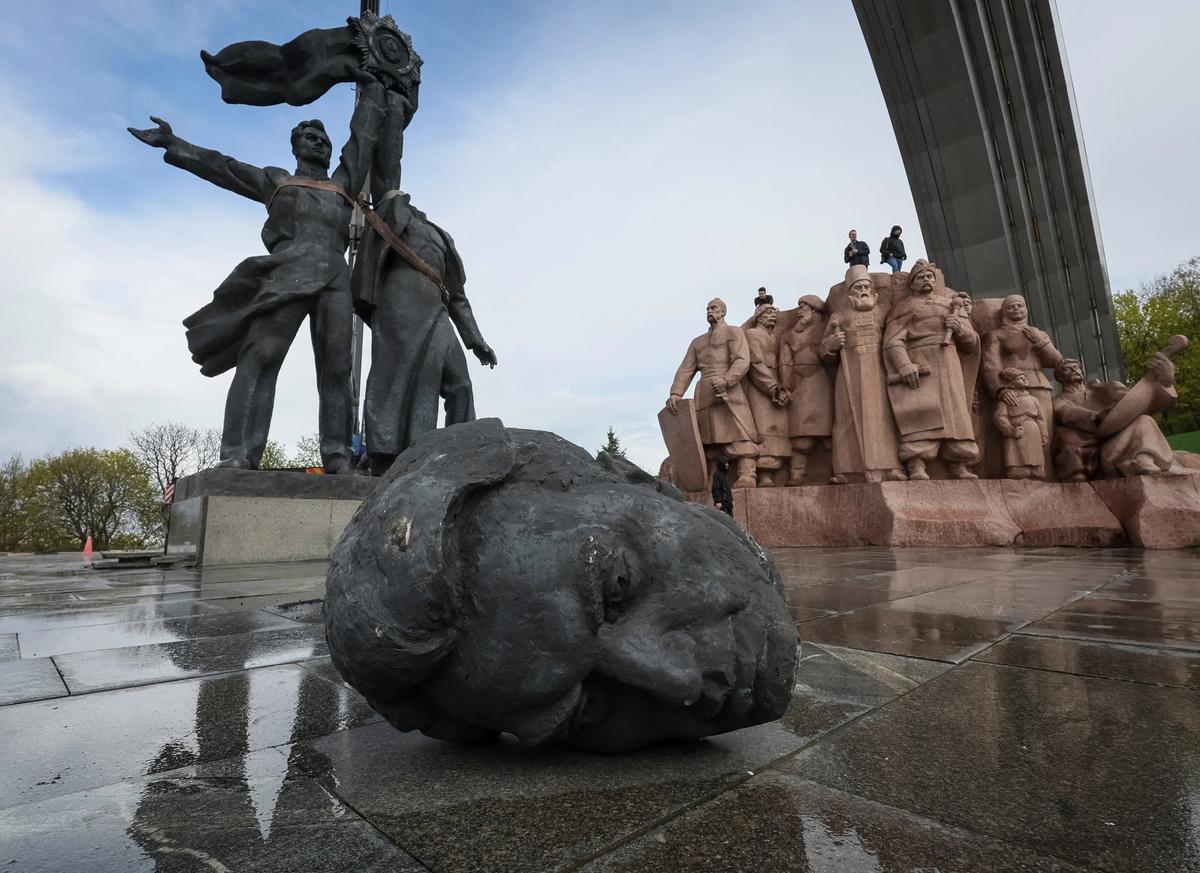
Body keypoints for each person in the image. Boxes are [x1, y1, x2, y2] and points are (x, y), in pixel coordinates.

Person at [128, 74, 385, 472]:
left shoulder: (342, 184)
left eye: (324, 141)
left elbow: (363, 138)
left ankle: (337, 456)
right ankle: (239, 454)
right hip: (287, 271)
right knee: (261, 358)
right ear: (295, 147)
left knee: (337, 369)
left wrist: (372, 91)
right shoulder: (276, 180)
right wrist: (175, 144)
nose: (318, 143)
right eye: (310, 139)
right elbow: (223, 167)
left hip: (335, 278)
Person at [353, 85, 498, 476]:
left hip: (435, 312)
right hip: (399, 309)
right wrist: (394, 112)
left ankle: (460, 454)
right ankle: (384, 456)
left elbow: (458, 295)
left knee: (460, 384)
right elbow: (388, 163)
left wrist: (475, 338)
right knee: (393, 379)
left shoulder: (439, 234)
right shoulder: (392, 211)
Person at [882, 260, 979, 480]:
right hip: (921, 362)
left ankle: (958, 463)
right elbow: (892, 341)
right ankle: (917, 463)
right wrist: (904, 365)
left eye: (929, 277)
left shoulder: (950, 306)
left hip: (949, 362)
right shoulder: (903, 308)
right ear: (912, 284)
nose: (926, 280)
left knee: (955, 414)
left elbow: (972, 344)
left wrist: (960, 328)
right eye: (920, 277)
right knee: (920, 413)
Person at [820, 266, 905, 483]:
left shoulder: (883, 312)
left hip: (878, 369)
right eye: (859, 287)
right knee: (847, 418)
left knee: (882, 417)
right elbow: (822, 351)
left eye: (867, 286)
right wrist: (832, 344)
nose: (864, 290)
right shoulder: (839, 317)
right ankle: (848, 471)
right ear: (850, 294)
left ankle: (890, 467)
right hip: (849, 369)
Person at [667, 299, 759, 488]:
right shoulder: (697, 342)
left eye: (714, 308)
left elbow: (742, 360)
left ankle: (747, 474)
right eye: (708, 308)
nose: (710, 311)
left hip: (728, 388)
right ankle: (708, 479)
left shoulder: (733, 332)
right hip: (704, 392)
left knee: (740, 432)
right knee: (707, 439)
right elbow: (686, 369)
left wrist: (727, 379)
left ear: (723, 311)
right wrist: (676, 393)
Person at [778, 295, 833, 485]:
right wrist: (785, 386)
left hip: (822, 384)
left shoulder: (825, 328)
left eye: (804, 307)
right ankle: (796, 475)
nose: (800, 311)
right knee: (800, 439)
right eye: (800, 307)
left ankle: (837, 470)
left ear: (815, 310)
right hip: (799, 386)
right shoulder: (789, 335)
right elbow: (785, 364)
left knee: (829, 436)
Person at [742, 305, 792, 486]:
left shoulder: (775, 337)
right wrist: (772, 387)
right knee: (764, 431)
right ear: (758, 317)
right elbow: (755, 363)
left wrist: (783, 387)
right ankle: (762, 475)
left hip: (776, 385)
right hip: (760, 387)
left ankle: (775, 472)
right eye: (767, 313)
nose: (772, 316)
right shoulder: (752, 334)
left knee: (778, 432)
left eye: (773, 313)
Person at [993, 369, 1047, 479]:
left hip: (1033, 430)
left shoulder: (1034, 400)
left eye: (1024, 377)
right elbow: (999, 417)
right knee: (1015, 453)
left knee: (1035, 453)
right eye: (1019, 378)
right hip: (1017, 429)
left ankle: (1036, 469)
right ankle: (1016, 469)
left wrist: (1044, 434)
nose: (1024, 379)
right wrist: (1011, 431)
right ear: (1011, 384)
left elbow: (1041, 418)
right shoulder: (1006, 400)